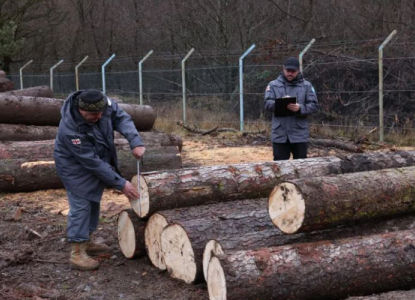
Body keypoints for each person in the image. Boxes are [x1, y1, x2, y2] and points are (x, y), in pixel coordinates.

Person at [54, 89, 145, 270]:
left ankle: (86, 241)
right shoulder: (70, 129)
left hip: (96, 159)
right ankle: (77, 253)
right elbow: (92, 162)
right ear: (80, 110)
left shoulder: (102, 104)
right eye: (93, 114)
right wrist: (121, 183)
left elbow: (122, 118)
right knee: (81, 205)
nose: (100, 116)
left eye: (101, 113)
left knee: (93, 200)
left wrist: (135, 142)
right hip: (74, 167)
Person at [264, 56, 318, 160]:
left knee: (302, 167)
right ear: (283, 69)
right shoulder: (273, 85)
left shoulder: (307, 86)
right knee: (280, 168)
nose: (290, 73)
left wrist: (300, 108)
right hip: (280, 134)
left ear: (298, 71)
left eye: (293, 71)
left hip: (299, 134)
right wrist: (280, 103)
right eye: (288, 70)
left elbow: (314, 105)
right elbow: (267, 103)